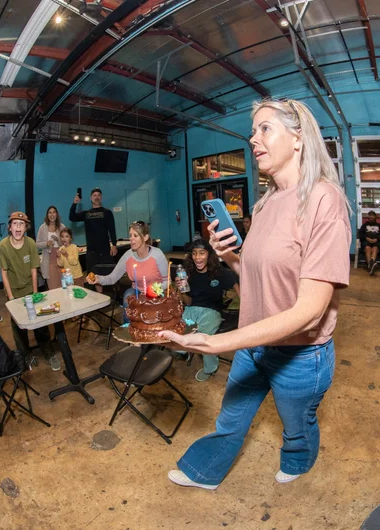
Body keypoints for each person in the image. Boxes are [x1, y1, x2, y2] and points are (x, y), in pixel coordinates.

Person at [161, 98, 351, 489]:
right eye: (253, 131)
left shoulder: (323, 199)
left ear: (298, 138)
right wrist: (229, 255)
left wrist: (218, 343)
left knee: (297, 425)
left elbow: (310, 311)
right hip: (254, 341)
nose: (253, 139)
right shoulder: (264, 204)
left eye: (265, 128)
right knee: (230, 419)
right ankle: (205, 471)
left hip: (301, 352)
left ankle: (298, 459)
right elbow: (255, 274)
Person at [0, 211, 60, 371]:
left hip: (29, 288)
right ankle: (25, 355)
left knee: (40, 320)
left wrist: (34, 293)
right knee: (18, 326)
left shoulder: (31, 243)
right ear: (10, 227)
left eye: (22, 224)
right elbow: (4, 273)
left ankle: (48, 352)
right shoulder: (3, 245)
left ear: (25, 228)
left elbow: (34, 270)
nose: (18, 227)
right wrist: (11, 297)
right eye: (15, 224)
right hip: (14, 291)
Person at [176, 238, 239, 382]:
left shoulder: (220, 273)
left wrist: (247, 309)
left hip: (212, 311)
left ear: (209, 255)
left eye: (202, 253)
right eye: (194, 253)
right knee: (177, 332)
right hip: (192, 309)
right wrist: (182, 291)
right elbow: (189, 302)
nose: (197, 257)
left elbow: (238, 287)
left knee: (202, 338)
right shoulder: (189, 274)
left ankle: (210, 368)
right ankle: (184, 350)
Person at [88, 221, 168, 321]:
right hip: (137, 291)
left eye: (135, 235)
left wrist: (153, 291)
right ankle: (128, 328)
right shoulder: (128, 256)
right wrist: (98, 279)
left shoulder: (157, 254)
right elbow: (112, 278)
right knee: (127, 296)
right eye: (130, 235)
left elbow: (167, 281)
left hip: (158, 291)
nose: (131, 239)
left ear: (146, 237)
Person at [69, 187, 117, 292]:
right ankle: (100, 297)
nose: (96, 197)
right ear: (91, 198)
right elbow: (72, 217)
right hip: (92, 251)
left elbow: (112, 229)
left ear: (101, 198)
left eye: (98, 195)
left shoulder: (107, 212)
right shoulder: (87, 214)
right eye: (94, 196)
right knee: (93, 276)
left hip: (105, 250)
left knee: (107, 275)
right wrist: (74, 204)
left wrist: (114, 244)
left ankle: (110, 297)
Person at [36, 206, 66, 289]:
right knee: (53, 287)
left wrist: (59, 240)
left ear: (57, 214)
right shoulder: (42, 228)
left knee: (63, 285)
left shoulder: (62, 227)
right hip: (49, 260)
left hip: (61, 259)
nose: (52, 214)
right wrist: (46, 243)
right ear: (47, 215)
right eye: (50, 212)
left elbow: (67, 242)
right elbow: (37, 244)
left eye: (54, 212)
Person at [359, 210, 379, 275]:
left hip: (376, 242)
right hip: (366, 241)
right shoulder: (364, 225)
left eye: (372, 217)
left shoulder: (379, 225)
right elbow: (361, 235)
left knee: (374, 249)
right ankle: (371, 267)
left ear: (375, 217)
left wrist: (377, 239)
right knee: (368, 249)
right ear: (368, 218)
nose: (371, 218)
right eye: (370, 217)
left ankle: (371, 266)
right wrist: (367, 238)